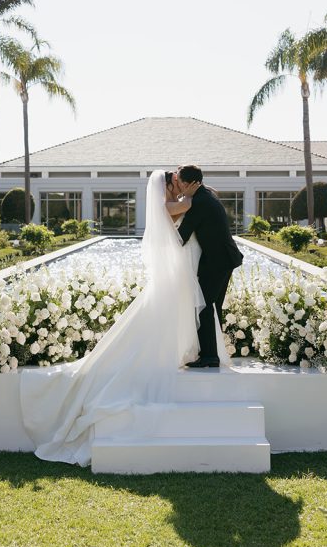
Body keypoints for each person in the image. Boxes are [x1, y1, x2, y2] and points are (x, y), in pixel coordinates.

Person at [21, 169, 214, 466]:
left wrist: (182, 189)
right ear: (165, 187)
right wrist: (191, 189)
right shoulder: (174, 204)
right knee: (160, 315)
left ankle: (173, 350)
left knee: (161, 314)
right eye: (173, 182)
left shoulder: (166, 205)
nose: (178, 186)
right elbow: (191, 202)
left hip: (174, 267)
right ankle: (166, 353)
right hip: (174, 269)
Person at [175, 164, 243, 368]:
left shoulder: (199, 202)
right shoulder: (206, 195)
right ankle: (211, 352)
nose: (178, 186)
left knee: (203, 305)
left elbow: (182, 236)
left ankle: (210, 357)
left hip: (218, 261)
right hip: (223, 259)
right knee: (212, 306)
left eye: (180, 183)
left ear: (189, 184)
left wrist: (161, 234)